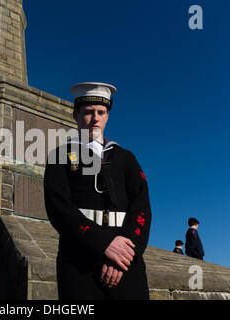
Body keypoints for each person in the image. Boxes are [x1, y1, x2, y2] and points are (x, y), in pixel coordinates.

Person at [44, 82, 152, 300]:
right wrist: (104, 244)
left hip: (125, 260)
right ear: (75, 115)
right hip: (79, 260)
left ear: (107, 116)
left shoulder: (126, 158)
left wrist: (125, 254)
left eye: (101, 112)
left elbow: (142, 207)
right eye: (89, 112)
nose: (95, 118)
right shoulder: (60, 156)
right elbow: (59, 208)